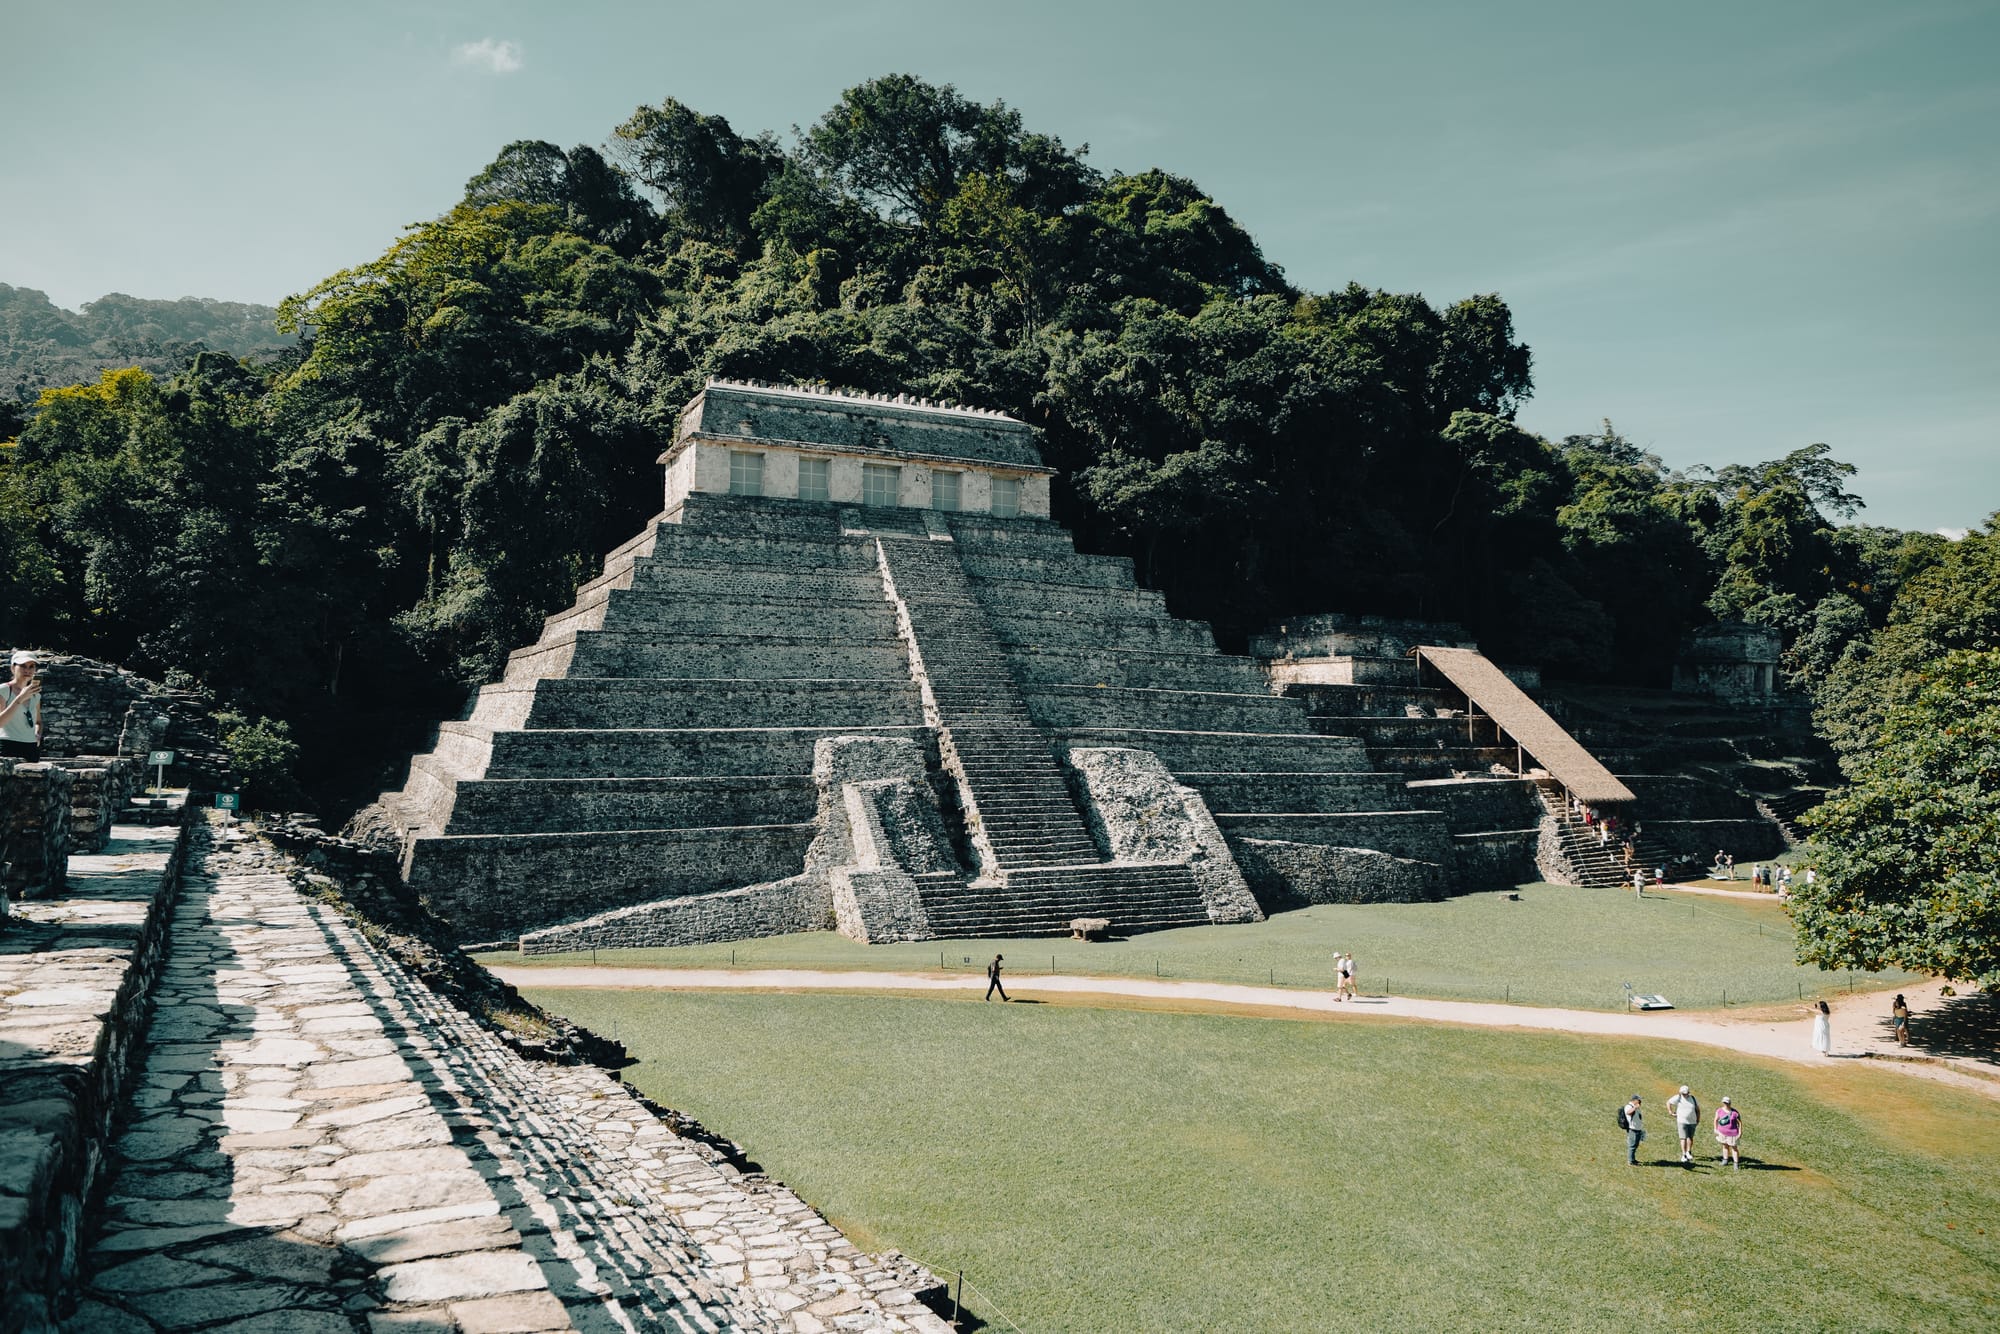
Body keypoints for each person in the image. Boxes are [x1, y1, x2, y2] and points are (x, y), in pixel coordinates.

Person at [0, 651, 44, 761]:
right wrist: (20, 698)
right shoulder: (4, 690)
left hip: (31, 746)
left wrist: (37, 733)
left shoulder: (36, 695)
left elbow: (38, 722)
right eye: (23, 666)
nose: (27, 670)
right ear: (13, 668)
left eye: (31, 666)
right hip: (7, 745)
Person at [1666, 1085, 1701, 1164]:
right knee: (1683, 1138)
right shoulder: (1678, 1098)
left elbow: (1698, 1110)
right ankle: (1684, 1154)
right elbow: (1668, 1102)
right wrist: (1670, 1112)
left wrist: (1698, 1119)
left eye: (1686, 1093)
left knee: (1690, 1138)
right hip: (1682, 1121)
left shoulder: (1693, 1099)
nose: (1685, 1095)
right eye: (1683, 1094)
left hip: (1692, 1121)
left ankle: (1688, 1151)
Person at [1713, 1097, 1742, 1169]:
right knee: (1725, 1146)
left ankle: (1736, 1163)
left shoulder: (1735, 1113)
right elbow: (1716, 1120)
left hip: (1733, 1134)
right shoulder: (1719, 1111)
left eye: (1727, 1103)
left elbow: (1740, 1123)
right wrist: (1715, 1128)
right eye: (1725, 1103)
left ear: (1730, 1103)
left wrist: (1740, 1132)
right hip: (1722, 1132)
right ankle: (1725, 1160)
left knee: (1734, 1148)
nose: (1726, 1104)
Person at [1620, 1095, 1646, 1165]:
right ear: (1634, 1100)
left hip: (1637, 1129)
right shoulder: (1629, 1106)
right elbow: (1628, 1112)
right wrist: (1635, 1107)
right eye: (1639, 1100)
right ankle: (1630, 1161)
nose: (1640, 1102)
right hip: (1633, 1129)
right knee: (1632, 1146)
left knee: (1635, 1145)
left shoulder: (1635, 1107)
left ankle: (1633, 1159)